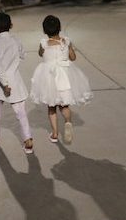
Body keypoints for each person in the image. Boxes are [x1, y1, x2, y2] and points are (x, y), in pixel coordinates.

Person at [30, 15, 92, 145]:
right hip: (65, 76)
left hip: (49, 77)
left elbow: (41, 54)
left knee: (51, 107)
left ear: (44, 31)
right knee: (64, 105)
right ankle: (68, 122)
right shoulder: (66, 41)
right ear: (60, 28)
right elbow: (73, 58)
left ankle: (54, 134)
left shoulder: (43, 43)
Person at [0, 12, 34, 154]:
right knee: (21, 112)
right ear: (11, 25)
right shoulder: (16, 40)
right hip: (16, 81)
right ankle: (28, 139)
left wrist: (5, 84)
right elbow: (23, 55)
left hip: (0, 83)